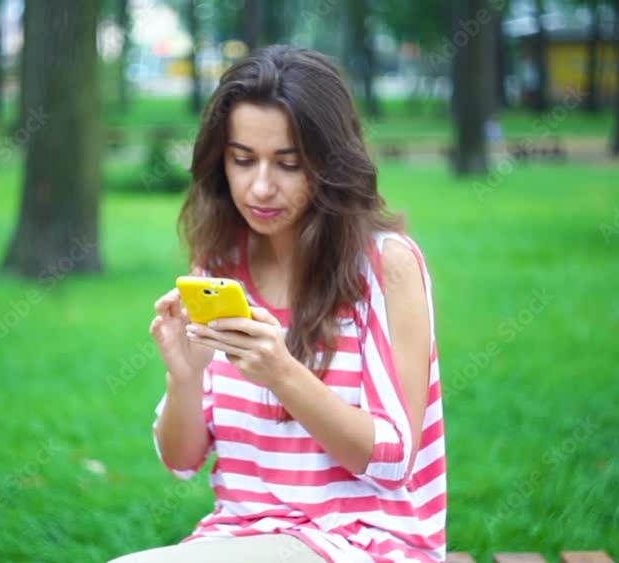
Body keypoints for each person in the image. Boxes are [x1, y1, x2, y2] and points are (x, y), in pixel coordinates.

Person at [109, 45, 446, 563]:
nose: (261, 187)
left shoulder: (385, 266)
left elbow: (393, 457)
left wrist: (281, 372)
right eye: (242, 160)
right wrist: (185, 377)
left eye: (288, 164)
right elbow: (180, 461)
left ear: (330, 163)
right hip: (241, 536)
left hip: (367, 542)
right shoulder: (220, 263)